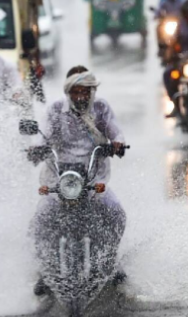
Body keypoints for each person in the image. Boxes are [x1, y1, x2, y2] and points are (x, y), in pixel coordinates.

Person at [31, 66, 128, 296]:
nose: (81, 96)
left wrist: (117, 143)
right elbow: (42, 133)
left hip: (93, 179)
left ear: (93, 92)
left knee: (116, 213)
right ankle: (46, 271)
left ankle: (110, 262)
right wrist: (36, 148)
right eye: (76, 91)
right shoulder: (55, 109)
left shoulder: (101, 108)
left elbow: (116, 130)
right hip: (60, 179)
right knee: (40, 219)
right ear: (68, 92)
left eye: (86, 91)